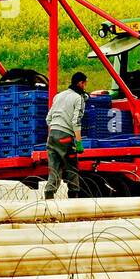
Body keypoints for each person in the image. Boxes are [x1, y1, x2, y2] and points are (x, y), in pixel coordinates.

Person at [44, 72, 89, 200]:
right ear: (80, 83)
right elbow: (76, 121)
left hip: (52, 136)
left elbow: (48, 119)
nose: (85, 86)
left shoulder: (58, 96)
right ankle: (73, 199)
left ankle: (48, 197)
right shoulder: (78, 98)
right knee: (71, 167)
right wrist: (79, 142)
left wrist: (56, 129)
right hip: (66, 137)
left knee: (54, 169)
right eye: (85, 83)